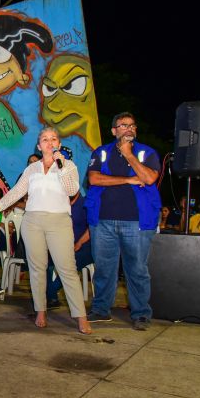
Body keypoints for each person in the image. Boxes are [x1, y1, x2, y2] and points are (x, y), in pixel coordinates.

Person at [0, 127, 90, 334]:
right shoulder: (32, 169)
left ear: (59, 144)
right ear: (39, 145)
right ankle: (40, 311)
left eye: (53, 139)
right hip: (33, 221)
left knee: (67, 269)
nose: (49, 142)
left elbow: (72, 191)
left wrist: (60, 166)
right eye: (45, 139)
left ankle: (81, 317)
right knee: (37, 268)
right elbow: (18, 191)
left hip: (59, 221)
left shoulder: (68, 166)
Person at [84, 112, 161, 331]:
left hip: (136, 222)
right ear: (114, 131)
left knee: (136, 269)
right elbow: (94, 179)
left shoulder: (146, 153)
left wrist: (129, 155)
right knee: (104, 268)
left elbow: (148, 178)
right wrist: (128, 179)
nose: (129, 128)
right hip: (103, 220)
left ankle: (141, 314)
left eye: (132, 125)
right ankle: (100, 309)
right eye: (123, 125)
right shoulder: (101, 153)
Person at [46, 193, 93, 309]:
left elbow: (92, 228)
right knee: (44, 260)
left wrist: (79, 243)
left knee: (68, 265)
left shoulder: (85, 204)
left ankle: (48, 293)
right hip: (62, 245)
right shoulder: (59, 203)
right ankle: (52, 298)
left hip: (83, 246)